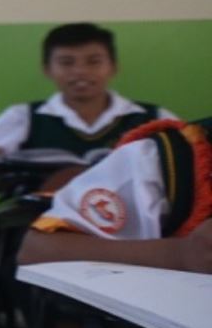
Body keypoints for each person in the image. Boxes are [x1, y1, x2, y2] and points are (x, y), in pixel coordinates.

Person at [0, 23, 174, 175]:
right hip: (45, 225)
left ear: (113, 67)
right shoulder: (25, 117)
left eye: (93, 62)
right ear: (47, 70)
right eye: (66, 63)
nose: (80, 72)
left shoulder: (152, 118)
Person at [22, 116, 212, 272]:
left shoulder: (149, 111)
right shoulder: (173, 157)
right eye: (68, 66)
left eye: (93, 65)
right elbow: (36, 249)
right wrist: (180, 254)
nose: (80, 72)